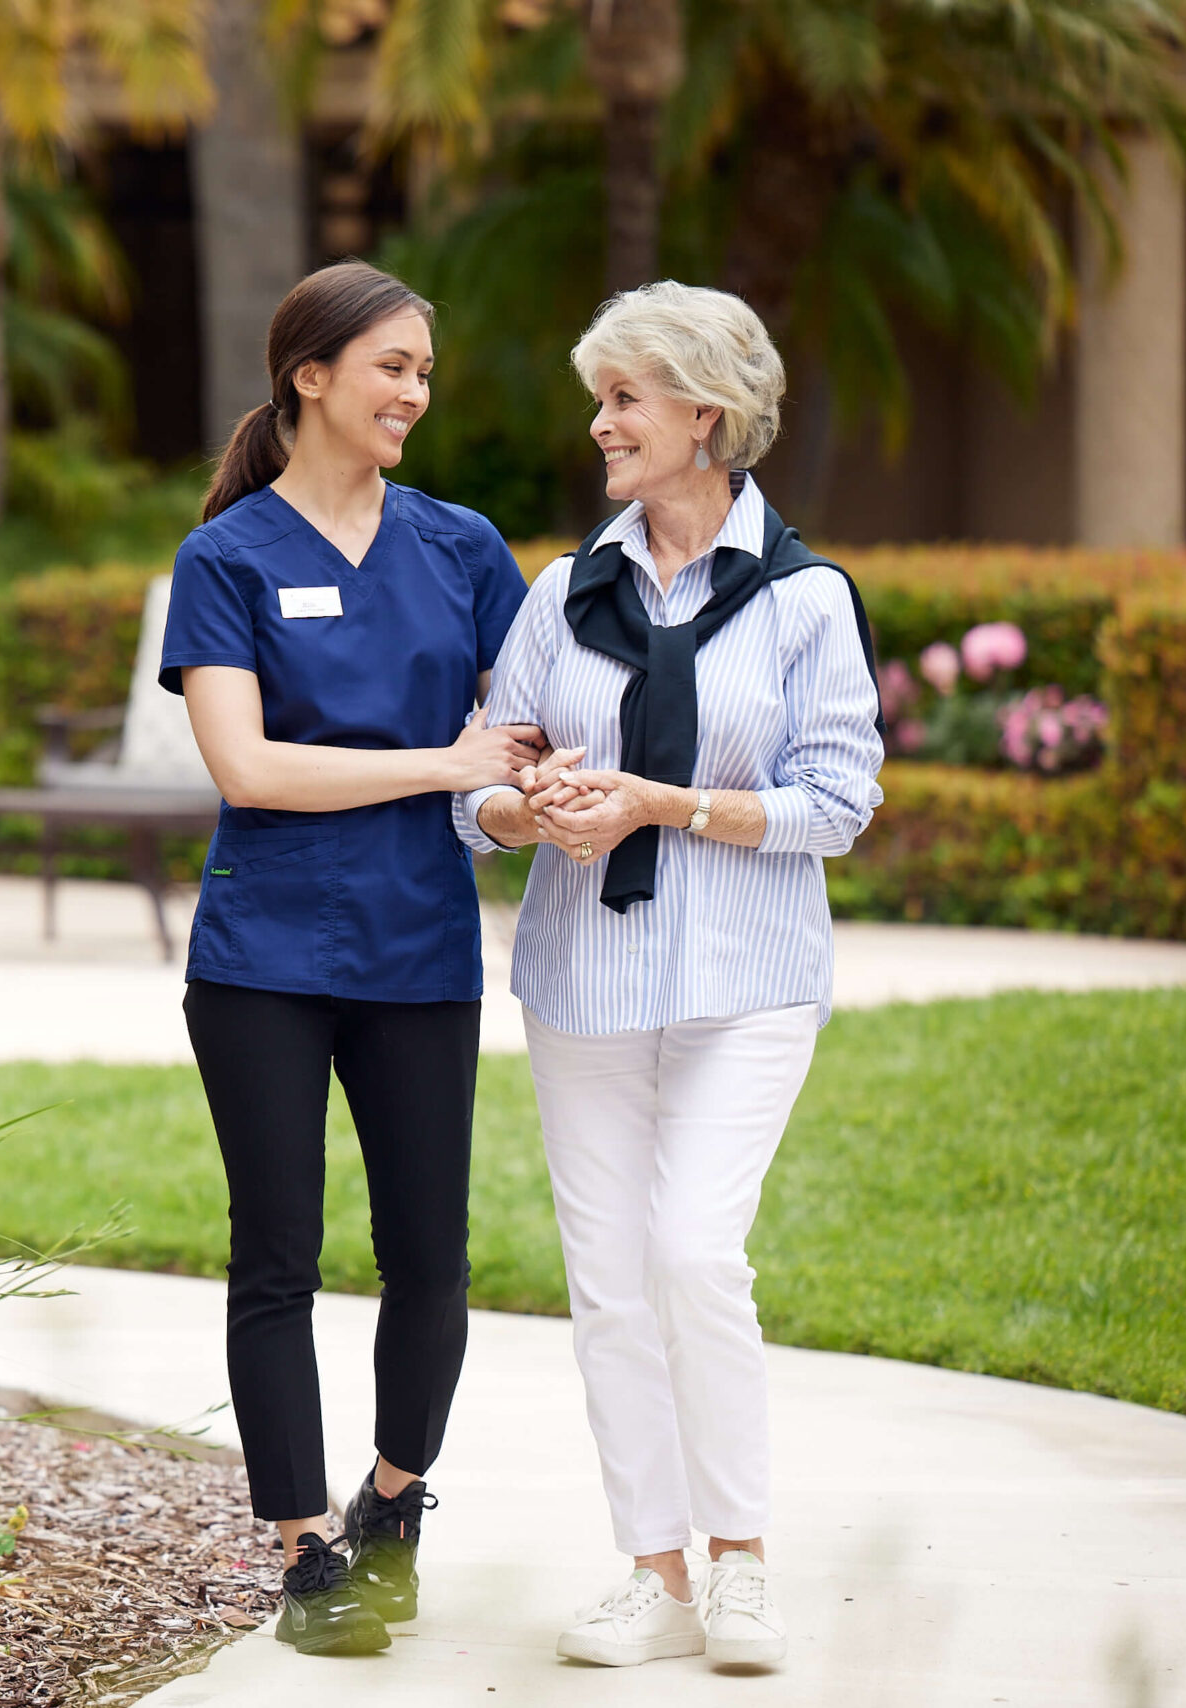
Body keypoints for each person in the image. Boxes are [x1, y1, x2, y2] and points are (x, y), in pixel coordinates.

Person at [455, 281, 884, 1668]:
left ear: (708, 413)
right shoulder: (558, 594)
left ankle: (743, 1556)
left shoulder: (807, 600)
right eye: (603, 399)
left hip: (747, 981)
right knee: (610, 1279)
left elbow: (837, 806)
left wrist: (665, 804)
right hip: (582, 979)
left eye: (625, 398)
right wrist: (530, 811)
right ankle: (656, 1572)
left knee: (696, 1252)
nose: (601, 425)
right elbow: (486, 777)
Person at [163, 260, 545, 1658]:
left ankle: (394, 1500)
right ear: (310, 376)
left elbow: (533, 729)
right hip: (263, 956)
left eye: (424, 373)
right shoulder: (226, 560)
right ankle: (303, 1546)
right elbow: (247, 769)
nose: (414, 394)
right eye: (392, 367)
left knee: (430, 1256)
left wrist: (539, 796)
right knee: (278, 1259)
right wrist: (448, 760)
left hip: (420, 948)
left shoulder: (461, 547)